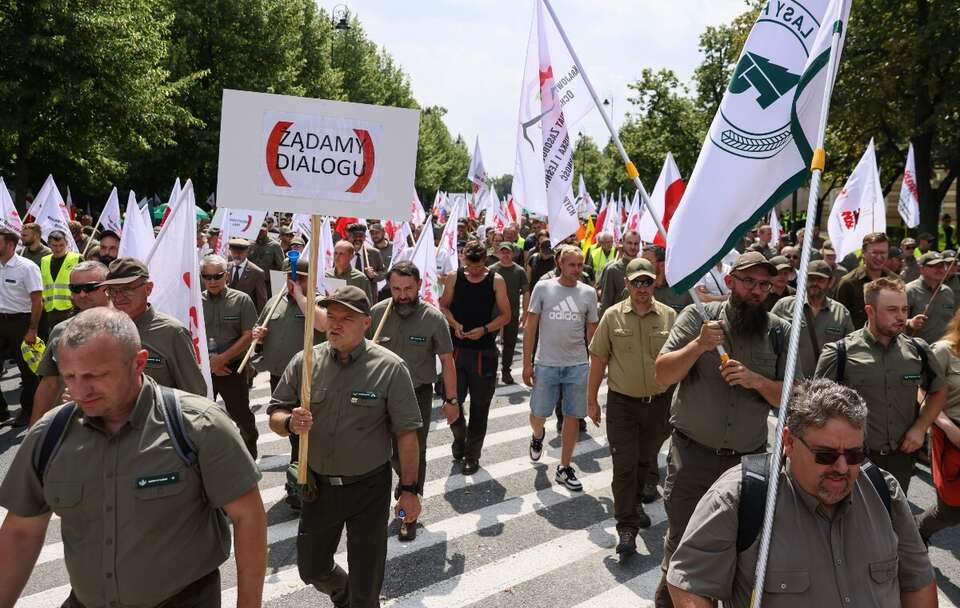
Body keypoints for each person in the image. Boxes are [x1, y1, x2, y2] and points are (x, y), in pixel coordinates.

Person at [0, 307, 267, 608]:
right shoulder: (49, 436)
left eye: (95, 376)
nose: (79, 390)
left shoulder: (199, 426)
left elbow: (248, 517)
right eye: (69, 377)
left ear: (139, 363)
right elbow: (21, 533)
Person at [666, 378, 937, 607]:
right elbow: (690, 585)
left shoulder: (883, 491)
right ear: (789, 442)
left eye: (855, 454)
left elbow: (918, 582)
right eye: (825, 455)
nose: (842, 467)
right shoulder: (740, 497)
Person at [267, 286, 422, 608]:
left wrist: (409, 489)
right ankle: (344, 595)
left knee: (368, 581)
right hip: (319, 487)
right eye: (331, 317)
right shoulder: (306, 361)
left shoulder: (390, 368)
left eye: (345, 319)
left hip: (369, 487)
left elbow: (407, 434)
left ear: (366, 323)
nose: (334, 324)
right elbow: (275, 412)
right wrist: (288, 423)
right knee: (312, 568)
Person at [653, 251, 791, 607]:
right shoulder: (698, 317)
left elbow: (794, 396)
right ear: (730, 281)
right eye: (749, 282)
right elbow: (663, 373)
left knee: (741, 551)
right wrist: (698, 345)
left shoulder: (779, 331)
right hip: (693, 459)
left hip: (748, 466)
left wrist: (756, 380)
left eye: (765, 284)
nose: (757, 291)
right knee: (682, 550)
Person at [815, 277, 947, 492]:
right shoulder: (840, 352)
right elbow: (817, 408)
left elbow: (939, 390)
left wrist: (920, 427)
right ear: (870, 311)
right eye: (892, 310)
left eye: (905, 309)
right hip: (852, 458)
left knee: (891, 516)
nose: (901, 317)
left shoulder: (918, 350)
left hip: (901, 459)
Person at [588, 258, 677, 557]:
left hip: (659, 405)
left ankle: (635, 503)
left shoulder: (669, 316)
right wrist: (591, 401)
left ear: (655, 283)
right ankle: (626, 526)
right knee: (624, 465)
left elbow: (680, 360)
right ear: (626, 284)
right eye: (636, 282)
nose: (642, 288)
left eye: (647, 282)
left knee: (645, 461)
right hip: (622, 404)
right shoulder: (612, 317)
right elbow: (598, 360)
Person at [368, 261, 458, 540]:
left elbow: (447, 360)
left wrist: (452, 399)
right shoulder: (376, 315)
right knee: (387, 451)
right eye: (396, 289)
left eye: (408, 288)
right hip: (380, 395)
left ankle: (409, 508)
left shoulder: (433, 318)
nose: (402, 295)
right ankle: (404, 481)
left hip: (416, 393)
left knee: (414, 451)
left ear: (419, 285)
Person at [252, 258, 327, 510]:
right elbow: (261, 330)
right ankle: (299, 479)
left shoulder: (318, 301)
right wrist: (258, 335)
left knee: (303, 431)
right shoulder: (274, 302)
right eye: (289, 276)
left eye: (300, 277)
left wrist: (300, 297)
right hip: (279, 378)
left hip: (309, 379)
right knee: (291, 430)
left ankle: (299, 483)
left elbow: (323, 324)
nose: (292, 281)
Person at [523, 246, 599, 491]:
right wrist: (526, 362)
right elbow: (530, 327)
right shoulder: (543, 288)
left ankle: (564, 467)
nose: (577, 270)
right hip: (546, 364)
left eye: (580, 265)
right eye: (572, 265)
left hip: (577, 365)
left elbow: (592, 332)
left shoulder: (588, 293)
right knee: (538, 414)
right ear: (560, 263)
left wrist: (595, 364)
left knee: (572, 416)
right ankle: (537, 436)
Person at [439, 240, 512, 474]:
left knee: (480, 407)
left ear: (485, 261)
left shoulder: (496, 280)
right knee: (453, 401)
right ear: (463, 261)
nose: (474, 271)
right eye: (469, 267)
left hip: (484, 351)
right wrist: (454, 323)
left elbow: (506, 315)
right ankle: (460, 438)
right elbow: (443, 307)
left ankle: (473, 455)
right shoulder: (454, 277)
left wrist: (486, 329)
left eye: (478, 267)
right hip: (457, 350)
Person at [100, 258, 207, 395]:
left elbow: (195, 393)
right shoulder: (103, 331)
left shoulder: (172, 333)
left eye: (126, 289)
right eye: (112, 291)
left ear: (148, 288)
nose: (118, 297)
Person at [30, 261, 110, 425]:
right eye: (75, 289)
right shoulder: (61, 331)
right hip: (71, 426)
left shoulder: (128, 328)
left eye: (90, 288)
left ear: (107, 288)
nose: (82, 294)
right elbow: (49, 383)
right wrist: (34, 431)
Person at [201, 254, 259, 458]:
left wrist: (222, 359)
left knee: (241, 417)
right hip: (205, 370)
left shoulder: (241, 300)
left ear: (226, 275)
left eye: (217, 276)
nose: (212, 281)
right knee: (201, 417)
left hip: (233, 369)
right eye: (206, 277)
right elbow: (190, 334)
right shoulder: (196, 301)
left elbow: (248, 334)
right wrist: (211, 363)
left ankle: (250, 456)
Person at [917, 312, 960, 544]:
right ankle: (917, 531)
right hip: (949, 433)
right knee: (950, 509)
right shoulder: (944, 350)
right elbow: (922, 390)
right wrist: (946, 425)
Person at [770, 260, 854, 376]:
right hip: (790, 383)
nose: (815, 283)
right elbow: (767, 343)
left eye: (820, 280)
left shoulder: (841, 313)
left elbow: (850, 351)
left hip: (825, 386)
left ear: (830, 282)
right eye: (811, 279)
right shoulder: (784, 307)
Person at [0, 228, 42, 426]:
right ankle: (1, 412)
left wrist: (32, 329)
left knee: (27, 371)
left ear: (9, 244)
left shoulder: (27, 267)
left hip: (21, 322)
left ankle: (28, 410)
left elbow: (37, 300)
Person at [835, 232, 898, 329]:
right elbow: (838, 321)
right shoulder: (848, 283)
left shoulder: (895, 281)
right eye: (874, 253)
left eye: (883, 253)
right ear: (863, 253)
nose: (879, 257)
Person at [489, 241, 529, 384]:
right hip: (492, 313)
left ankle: (506, 370)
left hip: (511, 313)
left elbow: (526, 293)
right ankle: (490, 369)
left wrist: (525, 312)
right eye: (502, 251)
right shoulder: (491, 270)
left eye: (508, 252)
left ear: (512, 253)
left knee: (509, 343)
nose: (505, 254)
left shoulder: (519, 271)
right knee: (488, 341)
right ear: (498, 253)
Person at [905, 251, 955, 345]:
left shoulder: (948, 292)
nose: (939, 269)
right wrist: (910, 322)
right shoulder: (909, 290)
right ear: (921, 268)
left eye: (941, 265)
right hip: (917, 351)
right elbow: (894, 321)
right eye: (934, 266)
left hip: (944, 350)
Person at [40, 230, 82, 332]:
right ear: (49, 244)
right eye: (54, 245)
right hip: (50, 310)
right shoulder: (44, 260)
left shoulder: (77, 258)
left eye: (61, 245)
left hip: (71, 308)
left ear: (67, 243)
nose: (58, 249)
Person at [598, 230, 642, 316]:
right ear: (623, 243)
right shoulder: (613, 270)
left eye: (636, 244)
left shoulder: (645, 267)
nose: (633, 247)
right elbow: (606, 301)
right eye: (629, 243)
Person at [644, 244, 694, 313]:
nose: (643, 265)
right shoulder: (639, 289)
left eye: (647, 261)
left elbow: (693, 314)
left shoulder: (682, 289)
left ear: (662, 264)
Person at [227, 237, 268, 313]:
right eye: (234, 252)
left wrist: (260, 321)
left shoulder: (257, 272)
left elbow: (261, 300)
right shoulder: (225, 268)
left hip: (245, 314)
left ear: (247, 252)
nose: (237, 255)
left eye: (240, 253)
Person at [328, 240, 377, 304]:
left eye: (341, 254)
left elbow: (367, 305)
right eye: (335, 253)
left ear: (351, 256)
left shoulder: (360, 278)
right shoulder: (327, 275)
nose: (337, 257)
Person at [347, 222, 385, 294]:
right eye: (355, 236)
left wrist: (374, 275)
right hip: (348, 295)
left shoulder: (374, 253)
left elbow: (383, 272)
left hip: (367, 297)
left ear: (364, 237)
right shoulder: (342, 253)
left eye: (360, 236)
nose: (358, 238)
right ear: (349, 236)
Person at [248, 223, 285, 294]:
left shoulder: (275, 246)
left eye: (262, 231)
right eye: (258, 230)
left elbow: (281, 266)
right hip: (251, 282)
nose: (260, 233)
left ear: (267, 230)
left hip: (267, 283)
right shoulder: (250, 244)